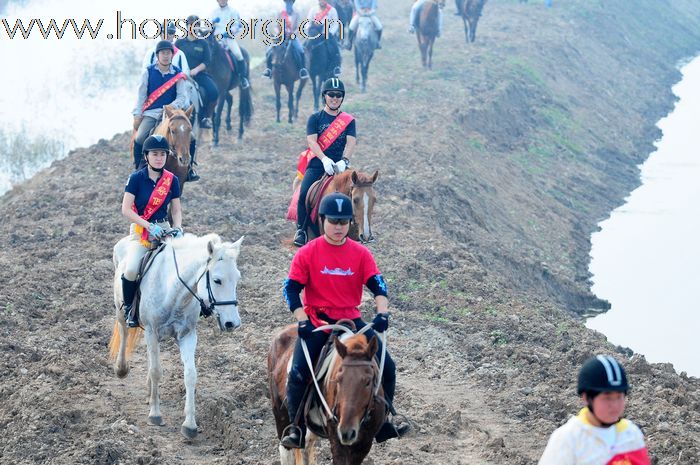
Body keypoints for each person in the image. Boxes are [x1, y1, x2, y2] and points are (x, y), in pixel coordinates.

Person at [280, 192, 410, 449]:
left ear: (350, 222)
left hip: (352, 320)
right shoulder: (307, 253)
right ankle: (296, 427)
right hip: (319, 321)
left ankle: (384, 421)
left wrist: (382, 313)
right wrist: (302, 319)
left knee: (389, 367)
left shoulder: (360, 254)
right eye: (333, 221)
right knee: (297, 373)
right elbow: (291, 289)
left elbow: (379, 287)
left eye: (344, 222)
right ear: (322, 220)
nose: (339, 227)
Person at [538, 355, 651, 465]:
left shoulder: (630, 433)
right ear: (586, 398)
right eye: (607, 397)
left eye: (619, 397)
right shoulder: (568, 439)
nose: (615, 405)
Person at [120, 135, 183, 328]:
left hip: (164, 227)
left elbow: (176, 209)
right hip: (141, 229)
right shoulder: (136, 178)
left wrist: (177, 228)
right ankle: (130, 308)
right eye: (155, 154)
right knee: (131, 269)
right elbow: (126, 209)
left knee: (183, 262)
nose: (159, 158)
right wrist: (148, 226)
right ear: (146, 156)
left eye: (162, 154)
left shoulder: (171, 180)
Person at [294, 77, 355, 247]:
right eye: (331, 94)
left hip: (339, 166)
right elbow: (312, 142)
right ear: (325, 96)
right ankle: (301, 229)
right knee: (304, 194)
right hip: (318, 164)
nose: (335, 98)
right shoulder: (315, 118)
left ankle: (361, 229)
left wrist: (345, 160)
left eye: (338, 95)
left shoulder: (349, 121)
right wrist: (324, 159)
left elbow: (351, 142)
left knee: (358, 192)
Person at [132, 40, 188, 171]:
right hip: (151, 112)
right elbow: (141, 96)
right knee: (140, 138)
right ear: (157, 55)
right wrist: (138, 114)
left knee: (191, 137)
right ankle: (138, 167)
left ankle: (189, 168)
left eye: (168, 53)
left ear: (172, 55)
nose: (166, 55)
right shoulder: (147, 72)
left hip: (172, 113)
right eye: (163, 53)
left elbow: (181, 96)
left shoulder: (178, 74)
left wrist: (170, 107)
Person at [262, 0, 310, 80]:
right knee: (269, 51)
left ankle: (302, 69)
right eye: (287, 3)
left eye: (290, 3)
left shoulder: (296, 14)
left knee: (300, 50)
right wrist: (278, 33)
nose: (288, 4)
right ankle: (268, 70)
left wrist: (293, 34)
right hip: (281, 37)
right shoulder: (280, 13)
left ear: (292, 4)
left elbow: (298, 28)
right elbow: (276, 26)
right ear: (285, 3)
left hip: (292, 37)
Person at [209, 0, 250, 89]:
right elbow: (209, 27)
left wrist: (228, 32)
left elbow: (238, 25)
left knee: (239, 55)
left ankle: (243, 78)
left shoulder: (233, 11)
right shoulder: (213, 12)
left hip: (228, 38)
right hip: (215, 39)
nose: (222, 1)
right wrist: (211, 24)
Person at [304, 0, 343, 77]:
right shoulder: (313, 9)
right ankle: (304, 68)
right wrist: (309, 28)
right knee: (304, 48)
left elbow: (335, 24)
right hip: (315, 34)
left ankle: (336, 68)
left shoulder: (332, 10)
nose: (322, 1)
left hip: (327, 34)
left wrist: (330, 33)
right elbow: (307, 22)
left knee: (336, 50)